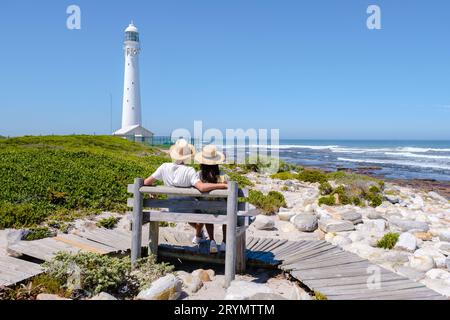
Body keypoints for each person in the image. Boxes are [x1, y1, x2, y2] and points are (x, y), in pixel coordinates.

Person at [144, 139, 227, 246]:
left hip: (172, 209)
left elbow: (146, 182)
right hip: (190, 210)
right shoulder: (189, 171)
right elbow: (201, 187)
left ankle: (201, 236)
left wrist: (151, 190)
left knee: (203, 208)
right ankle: (204, 237)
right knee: (203, 208)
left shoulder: (164, 167)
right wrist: (223, 185)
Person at [194, 144, 228, 254]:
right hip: (222, 209)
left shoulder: (199, 175)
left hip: (206, 209)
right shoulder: (222, 176)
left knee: (206, 210)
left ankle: (212, 240)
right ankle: (224, 242)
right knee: (227, 213)